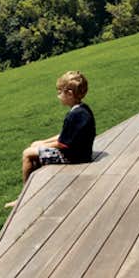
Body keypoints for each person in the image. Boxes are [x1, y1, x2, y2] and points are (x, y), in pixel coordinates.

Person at [11, 70, 95, 205]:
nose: (58, 96)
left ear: (69, 94)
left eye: (60, 92)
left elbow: (63, 144)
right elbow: (64, 135)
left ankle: (24, 198)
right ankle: (35, 191)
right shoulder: (83, 109)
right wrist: (41, 142)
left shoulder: (74, 115)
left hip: (75, 157)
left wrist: (42, 146)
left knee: (27, 154)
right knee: (35, 148)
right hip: (80, 153)